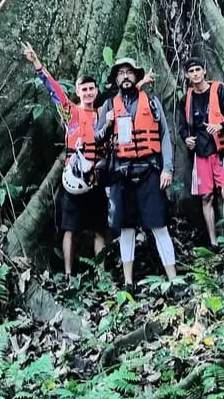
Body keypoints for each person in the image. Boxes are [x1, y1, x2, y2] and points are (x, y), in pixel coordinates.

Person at [22, 42, 107, 276]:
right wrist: (37, 64)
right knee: (70, 228)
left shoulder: (103, 114)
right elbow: (54, 91)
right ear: (78, 92)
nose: (88, 93)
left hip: (97, 176)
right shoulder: (71, 112)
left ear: (97, 91)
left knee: (100, 228)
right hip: (73, 176)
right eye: (84, 89)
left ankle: (101, 274)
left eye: (92, 89)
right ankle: (69, 274)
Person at [94, 57, 177, 289]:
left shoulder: (151, 102)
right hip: (122, 174)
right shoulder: (109, 106)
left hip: (150, 171)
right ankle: (128, 281)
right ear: (116, 79)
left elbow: (165, 137)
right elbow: (97, 137)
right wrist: (107, 124)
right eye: (121, 73)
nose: (126, 76)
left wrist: (167, 169)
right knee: (127, 228)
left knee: (159, 226)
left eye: (129, 72)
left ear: (136, 76)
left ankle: (174, 279)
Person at [178, 56, 224, 249]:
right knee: (206, 197)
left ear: (204, 70)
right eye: (191, 71)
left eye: (198, 69)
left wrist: (220, 125)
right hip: (200, 152)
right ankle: (213, 241)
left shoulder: (219, 90)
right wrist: (186, 138)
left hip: (220, 150)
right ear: (186, 75)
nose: (195, 74)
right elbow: (182, 126)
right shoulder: (186, 98)